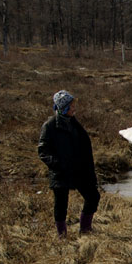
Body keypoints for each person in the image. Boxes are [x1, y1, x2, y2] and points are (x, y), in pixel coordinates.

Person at [38, 90, 100, 238]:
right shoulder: (50, 126)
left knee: (93, 197)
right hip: (61, 172)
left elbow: (84, 146)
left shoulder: (74, 123)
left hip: (79, 170)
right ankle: (62, 236)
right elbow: (43, 151)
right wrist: (59, 165)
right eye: (71, 106)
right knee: (61, 205)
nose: (74, 108)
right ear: (63, 108)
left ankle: (85, 230)